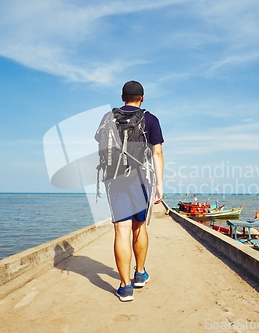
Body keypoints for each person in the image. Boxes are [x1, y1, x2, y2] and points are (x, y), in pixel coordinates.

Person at [103, 81, 164, 302]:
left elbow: (102, 150)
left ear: (122, 98)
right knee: (139, 227)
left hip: (115, 181)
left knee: (121, 231)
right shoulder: (151, 119)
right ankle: (139, 274)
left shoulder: (108, 118)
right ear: (142, 98)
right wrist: (159, 184)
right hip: (141, 181)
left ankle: (125, 286)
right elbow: (157, 153)